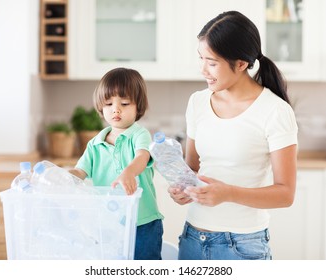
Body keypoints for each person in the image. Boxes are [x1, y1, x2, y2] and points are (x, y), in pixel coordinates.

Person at [168, 11, 298, 260]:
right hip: (193, 238)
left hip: (242, 245)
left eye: (212, 62)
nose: (203, 69)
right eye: (201, 59)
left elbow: (285, 194)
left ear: (240, 64)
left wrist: (228, 193)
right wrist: (183, 189)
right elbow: (192, 168)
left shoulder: (275, 111)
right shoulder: (197, 102)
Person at [70, 67, 164, 260]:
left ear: (138, 106)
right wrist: (58, 178)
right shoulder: (95, 144)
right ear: (100, 107)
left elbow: (142, 157)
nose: (116, 109)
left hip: (143, 221)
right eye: (109, 103)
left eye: (124, 102)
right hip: (107, 223)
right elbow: (79, 171)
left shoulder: (140, 134)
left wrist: (129, 172)